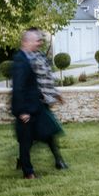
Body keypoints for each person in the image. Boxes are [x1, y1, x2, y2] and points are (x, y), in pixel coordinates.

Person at [12, 29, 67, 179]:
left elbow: (47, 78)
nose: (40, 42)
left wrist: (55, 94)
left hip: (38, 103)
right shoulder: (23, 60)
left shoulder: (36, 56)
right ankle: (28, 170)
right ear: (27, 41)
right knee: (31, 137)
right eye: (37, 40)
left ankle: (28, 163)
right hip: (31, 105)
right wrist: (22, 110)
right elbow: (19, 87)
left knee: (45, 133)